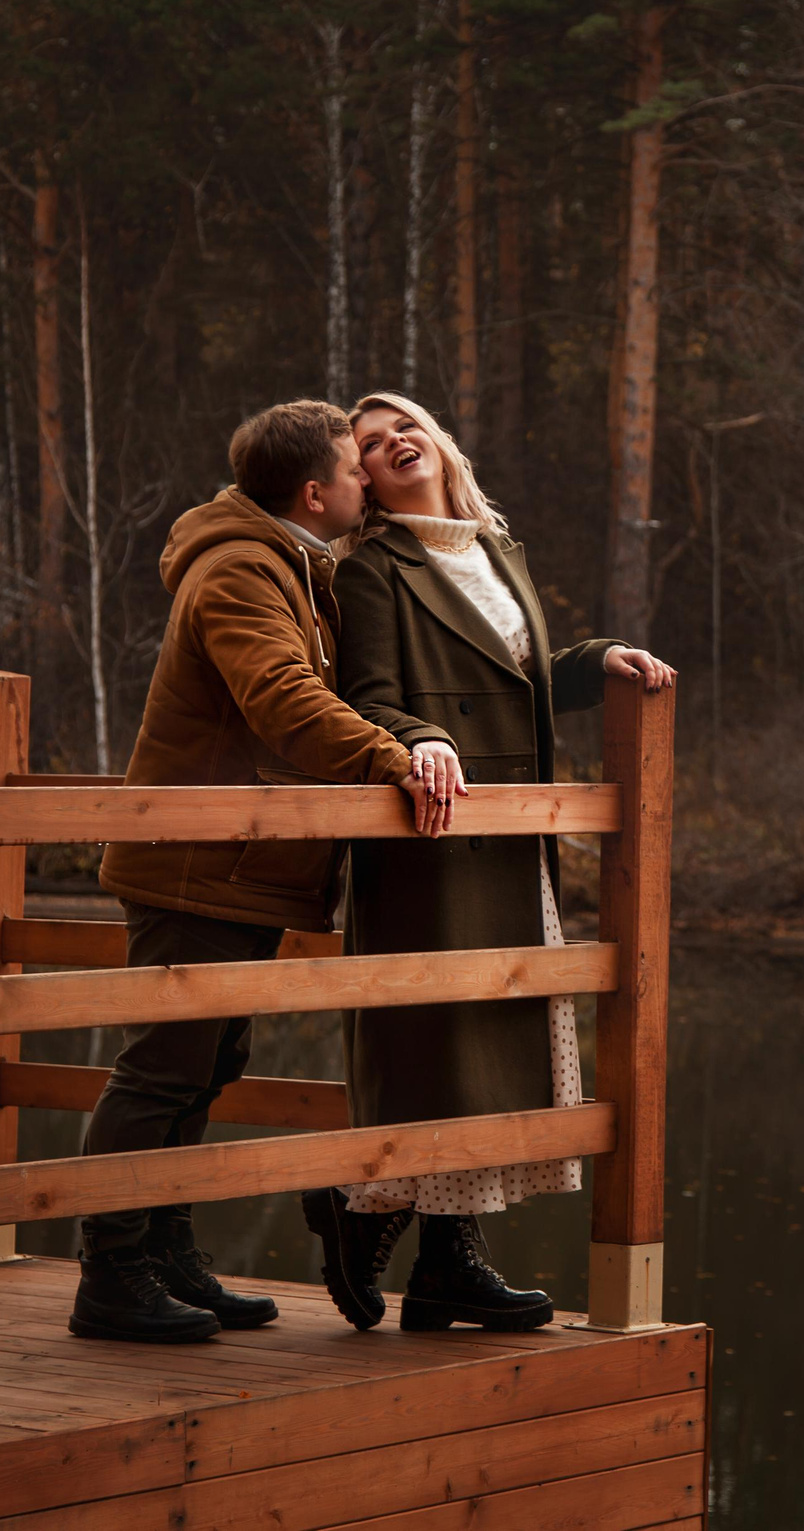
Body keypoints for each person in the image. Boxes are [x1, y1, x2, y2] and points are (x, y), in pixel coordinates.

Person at [300, 392, 676, 1333]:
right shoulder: (371, 569)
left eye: (403, 427)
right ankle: (359, 1209)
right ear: (366, 482)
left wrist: (602, 658)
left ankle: (444, 1265)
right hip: (434, 833)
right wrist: (423, 737)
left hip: (512, 842)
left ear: (438, 440)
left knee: (499, 1053)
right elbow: (370, 697)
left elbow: (521, 683)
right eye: (372, 445)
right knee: (444, 1055)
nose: (394, 444)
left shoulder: (494, 549)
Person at [76, 399, 446, 1344]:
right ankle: (111, 1270)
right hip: (196, 862)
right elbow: (283, 701)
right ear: (315, 492)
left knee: (205, 1067)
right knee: (163, 1070)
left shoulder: (293, 564)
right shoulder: (242, 571)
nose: (368, 481)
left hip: (235, 865)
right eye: (354, 471)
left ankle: (162, 1250)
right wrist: (397, 759)